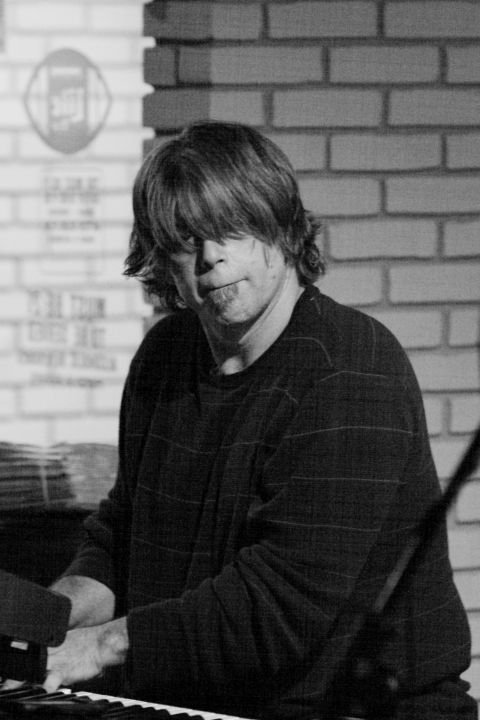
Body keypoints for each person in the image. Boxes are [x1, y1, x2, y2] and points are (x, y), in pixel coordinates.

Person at [43, 121, 475, 719]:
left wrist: (99, 647)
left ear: (281, 226)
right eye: (185, 240)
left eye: (230, 229)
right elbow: (124, 535)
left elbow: (277, 611)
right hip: (198, 704)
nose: (210, 258)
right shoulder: (164, 357)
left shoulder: (351, 369)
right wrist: (48, 621)